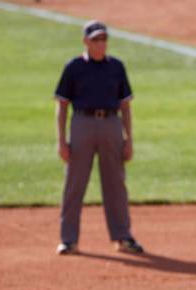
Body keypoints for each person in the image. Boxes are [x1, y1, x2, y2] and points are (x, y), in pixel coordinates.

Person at [53, 20, 143, 256]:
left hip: (112, 125)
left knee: (116, 183)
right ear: (85, 41)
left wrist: (129, 138)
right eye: (95, 39)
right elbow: (62, 105)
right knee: (74, 183)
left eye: (103, 39)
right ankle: (69, 240)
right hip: (82, 123)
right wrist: (61, 140)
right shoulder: (73, 67)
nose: (100, 44)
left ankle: (123, 237)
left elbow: (125, 106)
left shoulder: (117, 67)